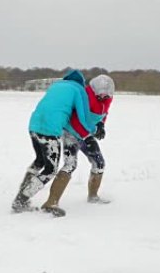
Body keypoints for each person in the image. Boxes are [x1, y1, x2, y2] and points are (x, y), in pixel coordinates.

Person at [12, 70, 97, 217]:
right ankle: (21, 199)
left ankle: (22, 194)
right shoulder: (78, 89)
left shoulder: (56, 85)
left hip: (34, 125)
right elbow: (83, 117)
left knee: (39, 162)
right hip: (50, 130)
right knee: (51, 169)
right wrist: (91, 132)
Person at [40, 74, 114, 213]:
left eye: (106, 96)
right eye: (100, 96)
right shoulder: (84, 96)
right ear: (93, 90)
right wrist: (87, 137)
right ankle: (51, 203)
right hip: (71, 132)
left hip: (86, 132)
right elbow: (75, 120)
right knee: (70, 165)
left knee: (99, 163)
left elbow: (104, 114)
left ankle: (93, 196)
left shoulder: (107, 98)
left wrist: (101, 125)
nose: (103, 98)